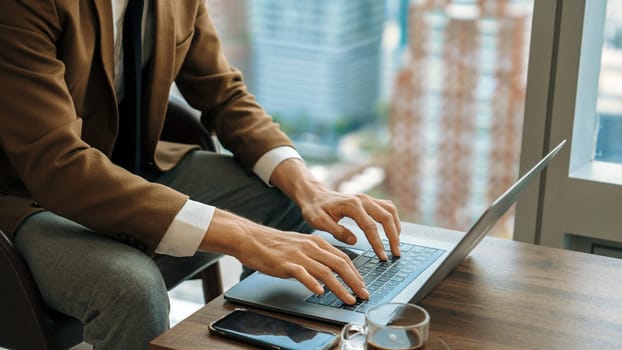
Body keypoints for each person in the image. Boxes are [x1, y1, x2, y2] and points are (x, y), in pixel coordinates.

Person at [0, 1, 401, 348]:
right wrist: (247, 237)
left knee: (284, 202)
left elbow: (222, 92)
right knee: (131, 289)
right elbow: (57, 164)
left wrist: (309, 187)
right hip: (23, 193)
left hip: (135, 166)